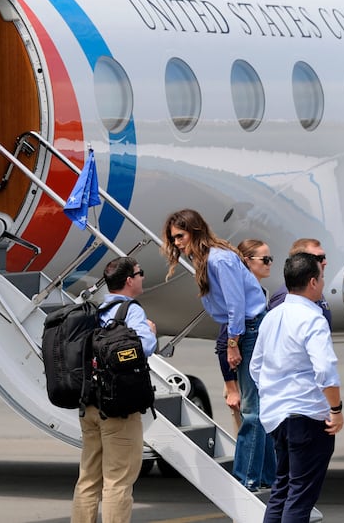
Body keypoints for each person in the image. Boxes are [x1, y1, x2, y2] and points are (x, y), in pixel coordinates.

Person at [162, 209, 276, 492]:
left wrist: (232, 344)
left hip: (247, 329)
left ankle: (246, 478)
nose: (176, 243)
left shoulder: (219, 259)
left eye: (180, 236)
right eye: (173, 238)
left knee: (252, 408)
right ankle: (266, 476)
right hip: (245, 328)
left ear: (195, 231)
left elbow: (237, 304)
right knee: (257, 407)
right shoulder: (207, 258)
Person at [251, 253, 343, 522]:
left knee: (282, 489)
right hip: (307, 416)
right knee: (300, 497)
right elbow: (325, 370)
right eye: (322, 277)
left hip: (276, 416)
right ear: (313, 282)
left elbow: (256, 367)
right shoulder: (313, 319)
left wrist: (275, 394)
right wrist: (336, 409)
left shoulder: (271, 316)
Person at [71, 257, 157, 523]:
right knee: (118, 480)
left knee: (88, 478)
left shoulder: (93, 310)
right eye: (140, 273)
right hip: (118, 409)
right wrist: (151, 332)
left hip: (90, 406)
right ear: (129, 280)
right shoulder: (131, 311)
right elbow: (144, 348)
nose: (143, 277)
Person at [215, 239, 273, 432]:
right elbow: (223, 342)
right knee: (248, 429)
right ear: (247, 261)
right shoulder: (242, 297)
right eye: (265, 259)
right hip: (239, 384)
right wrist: (231, 389)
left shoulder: (259, 293)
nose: (269, 263)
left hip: (254, 379)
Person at [268, 238, 332, 328]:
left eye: (324, 257)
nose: (325, 262)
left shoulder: (314, 289)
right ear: (300, 260)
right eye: (319, 258)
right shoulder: (284, 296)